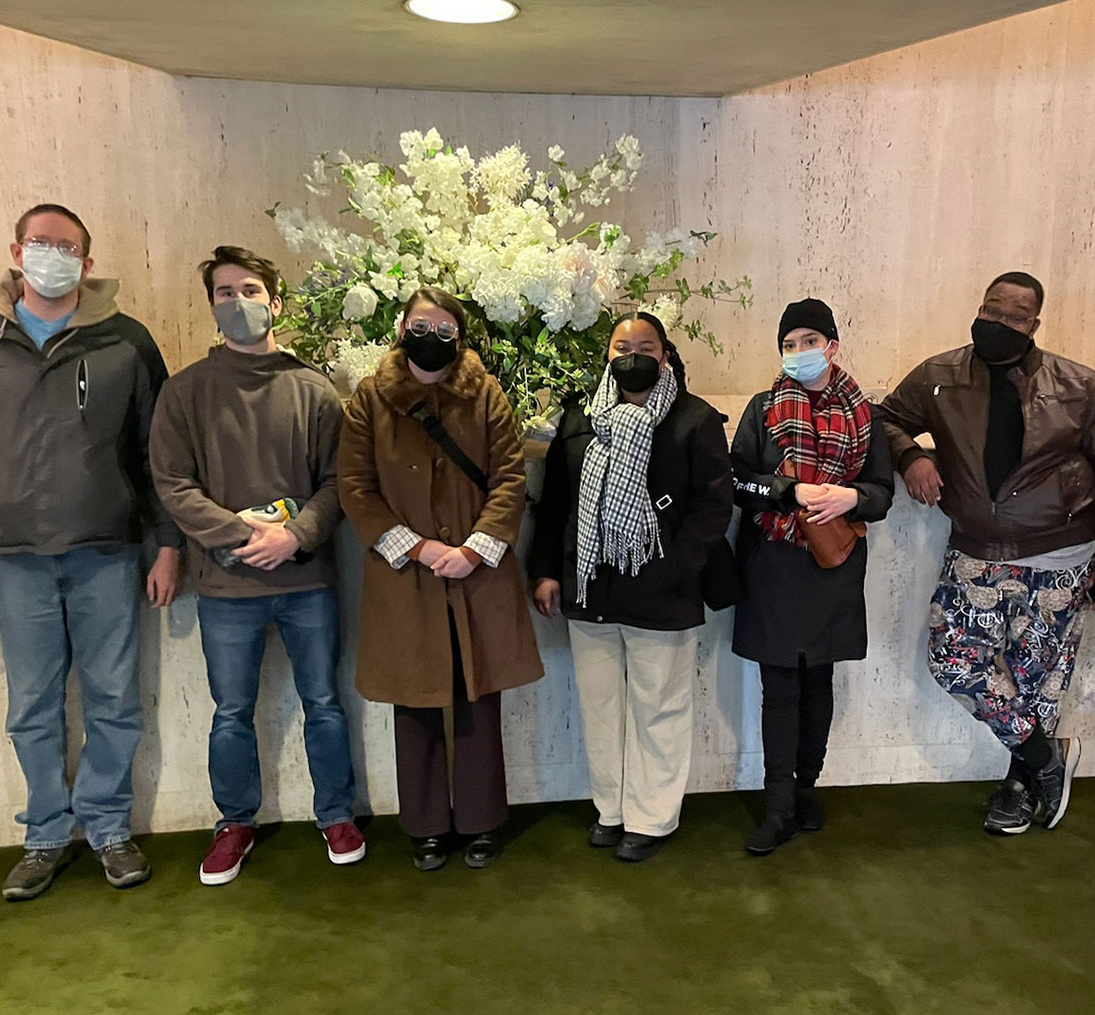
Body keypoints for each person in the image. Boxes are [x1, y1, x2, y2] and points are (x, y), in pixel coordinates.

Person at [0, 203, 182, 900]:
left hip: (108, 551)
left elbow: (158, 453)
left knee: (114, 699)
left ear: (87, 264)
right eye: (40, 242)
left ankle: (107, 828)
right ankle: (43, 833)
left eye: (66, 246)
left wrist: (166, 546)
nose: (52, 254)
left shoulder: (125, 341)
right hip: (16, 559)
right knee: (33, 704)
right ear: (16, 250)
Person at [880, 272, 1095, 836]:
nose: (999, 322)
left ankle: (1020, 787)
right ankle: (1048, 759)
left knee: (1035, 681)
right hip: (975, 552)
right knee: (952, 659)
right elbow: (886, 419)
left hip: (1061, 555)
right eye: (990, 309)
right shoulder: (939, 375)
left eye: (1015, 316)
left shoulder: (1079, 386)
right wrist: (910, 459)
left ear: (1034, 325)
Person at [151, 246, 362, 885]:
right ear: (211, 305)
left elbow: (340, 482)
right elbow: (172, 481)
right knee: (230, 712)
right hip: (226, 584)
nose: (237, 302)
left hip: (306, 581)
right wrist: (239, 534)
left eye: (248, 290)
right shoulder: (185, 392)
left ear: (276, 302)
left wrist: (295, 536)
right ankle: (234, 824)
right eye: (223, 292)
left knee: (324, 701)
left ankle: (336, 813)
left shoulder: (315, 391)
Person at [338, 286, 543, 871]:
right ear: (401, 328)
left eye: (444, 330)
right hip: (406, 574)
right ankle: (426, 826)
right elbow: (355, 486)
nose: (431, 339)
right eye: (420, 327)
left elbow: (509, 476)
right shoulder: (369, 401)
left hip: (478, 572)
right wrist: (420, 547)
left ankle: (481, 821)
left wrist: (476, 549)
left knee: (479, 697)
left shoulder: (485, 395)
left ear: (460, 337)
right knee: (415, 699)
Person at [529, 312, 733, 863]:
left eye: (646, 345)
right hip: (592, 585)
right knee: (600, 706)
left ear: (665, 354)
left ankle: (651, 817)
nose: (633, 355)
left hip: (664, 588)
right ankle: (611, 810)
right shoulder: (579, 420)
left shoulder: (694, 419)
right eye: (622, 346)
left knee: (659, 707)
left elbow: (714, 506)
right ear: (607, 356)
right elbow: (554, 506)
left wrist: (675, 567)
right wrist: (547, 570)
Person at [730, 299, 893, 855]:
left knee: (818, 679)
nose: (798, 352)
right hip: (772, 563)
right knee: (779, 685)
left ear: (832, 345)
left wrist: (851, 496)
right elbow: (737, 481)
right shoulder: (763, 408)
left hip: (834, 563)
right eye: (789, 343)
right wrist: (787, 491)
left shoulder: (865, 414)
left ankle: (806, 789)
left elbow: (882, 494)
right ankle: (777, 808)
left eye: (808, 340)